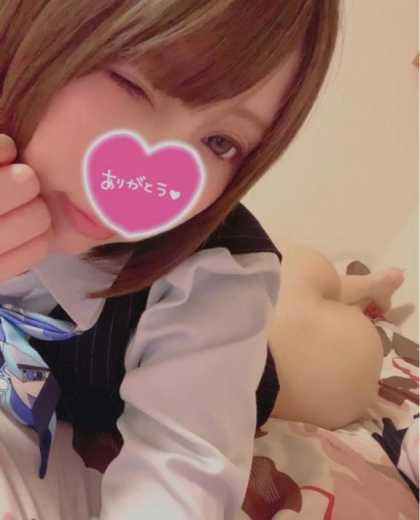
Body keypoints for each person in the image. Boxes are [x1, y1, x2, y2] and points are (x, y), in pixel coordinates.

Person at [0, 1, 343, 518]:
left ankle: (346, 287)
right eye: (131, 83)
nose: (153, 181)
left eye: (220, 142)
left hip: (225, 338)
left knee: (335, 367)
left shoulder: (219, 275)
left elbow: (182, 476)